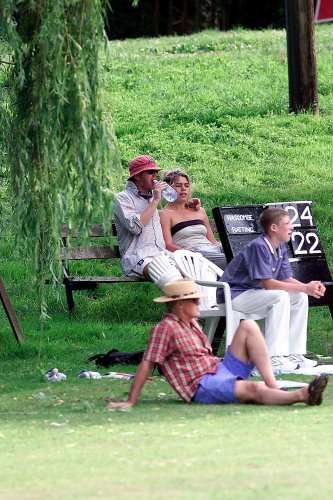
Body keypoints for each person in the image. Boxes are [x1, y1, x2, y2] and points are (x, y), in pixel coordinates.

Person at [106, 279, 328, 409]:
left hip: (217, 368)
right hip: (201, 385)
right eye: (194, 300)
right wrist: (130, 401)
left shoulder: (191, 323)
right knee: (252, 389)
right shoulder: (165, 329)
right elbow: (147, 363)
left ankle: (272, 384)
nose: (198, 302)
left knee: (249, 326)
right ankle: (302, 395)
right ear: (180, 304)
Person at [216, 207, 326, 371]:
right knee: (281, 296)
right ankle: (273, 357)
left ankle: (293, 353)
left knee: (300, 297)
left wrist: (307, 289)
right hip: (234, 295)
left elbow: (285, 278)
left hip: (253, 294)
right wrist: (304, 287)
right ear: (274, 228)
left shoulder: (280, 247)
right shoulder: (259, 246)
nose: (292, 227)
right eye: (288, 223)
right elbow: (269, 284)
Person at [114, 155, 183, 283]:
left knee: (195, 273)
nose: (155, 176)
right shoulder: (122, 198)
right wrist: (156, 200)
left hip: (162, 254)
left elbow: (171, 208)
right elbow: (135, 228)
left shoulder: (152, 197)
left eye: (156, 172)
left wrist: (189, 205)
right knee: (171, 279)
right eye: (150, 172)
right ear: (137, 176)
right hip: (138, 258)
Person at [159, 168, 227, 270]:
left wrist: (226, 247)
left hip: (212, 249)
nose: (183, 189)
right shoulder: (165, 214)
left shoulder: (199, 210)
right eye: (178, 185)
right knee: (234, 260)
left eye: (186, 185)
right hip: (194, 253)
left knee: (245, 255)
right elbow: (168, 245)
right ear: (167, 189)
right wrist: (187, 253)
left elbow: (213, 241)